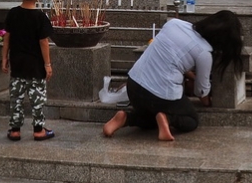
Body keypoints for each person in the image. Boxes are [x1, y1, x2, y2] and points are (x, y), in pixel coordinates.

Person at [103, 10, 243, 141]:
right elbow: (201, 91)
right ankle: (167, 118)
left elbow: (169, 59)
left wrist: (191, 76)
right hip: (159, 95)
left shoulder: (174, 24)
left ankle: (125, 118)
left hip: (133, 86)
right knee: (191, 120)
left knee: (153, 116)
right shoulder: (204, 53)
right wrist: (208, 101)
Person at [1, 0, 55, 141]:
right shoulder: (40, 17)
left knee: (16, 98)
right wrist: (47, 64)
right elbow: (43, 42)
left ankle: (15, 129)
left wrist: (4, 58)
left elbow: (7, 37)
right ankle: (38, 129)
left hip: (17, 65)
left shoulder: (13, 14)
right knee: (37, 98)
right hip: (36, 67)